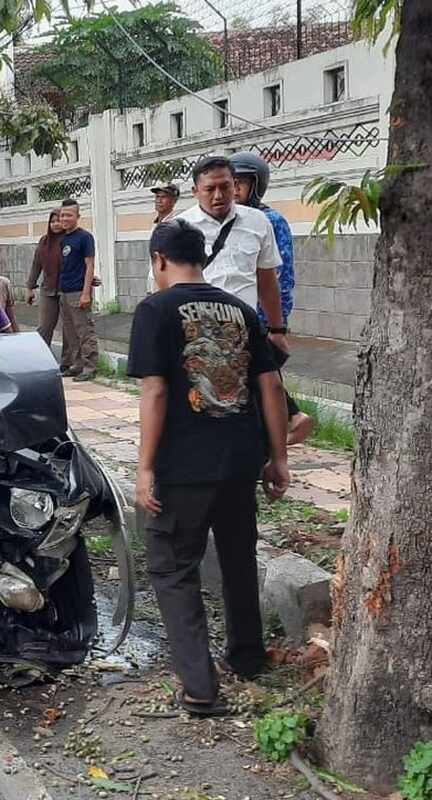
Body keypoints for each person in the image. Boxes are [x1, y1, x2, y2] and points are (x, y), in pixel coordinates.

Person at [127, 218, 290, 716]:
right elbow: (271, 386)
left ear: (159, 260)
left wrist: (144, 468)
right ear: (202, 258)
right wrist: (278, 457)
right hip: (241, 460)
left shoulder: (155, 309)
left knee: (172, 567)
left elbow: (155, 391)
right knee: (238, 558)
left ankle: (199, 687)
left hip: (184, 465)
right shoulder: (241, 310)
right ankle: (247, 656)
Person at [228, 152, 313, 445]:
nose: (234, 189)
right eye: (232, 182)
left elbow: (281, 275)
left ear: (257, 185)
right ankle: (289, 420)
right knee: (256, 374)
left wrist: (276, 322)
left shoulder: (271, 220)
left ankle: (289, 421)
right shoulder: (233, 219)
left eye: (241, 183)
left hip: (261, 316)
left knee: (261, 374)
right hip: (236, 313)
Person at [176, 156, 287, 356]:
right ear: (195, 191)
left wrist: (277, 330)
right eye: (210, 189)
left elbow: (267, 281)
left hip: (245, 332)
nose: (218, 195)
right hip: (196, 336)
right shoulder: (179, 228)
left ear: (234, 185)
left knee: (264, 377)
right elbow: (163, 285)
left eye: (225, 187)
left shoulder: (258, 222)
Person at [56, 199, 99, 381]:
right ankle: (77, 364)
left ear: (77, 216)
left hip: (78, 291)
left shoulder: (85, 237)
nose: (64, 219)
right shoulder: (63, 239)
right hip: (64, 292)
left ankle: (90, 367)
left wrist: (86, 293)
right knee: (70, 333)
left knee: (85, 331)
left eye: (69, 215)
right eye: (62, 215)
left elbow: (89, 265)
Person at [26, 209, 64, 347]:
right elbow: (36, 265)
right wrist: (29, 287)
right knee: (44, 327)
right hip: (48, 290)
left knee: (69, 329)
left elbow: (81, 264)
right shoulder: (44, 241)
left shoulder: (70, 240)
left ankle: (69, 358)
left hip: (67, 290)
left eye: (58, 221)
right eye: (52, 221)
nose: (55, 224)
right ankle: (42, 354)